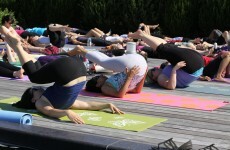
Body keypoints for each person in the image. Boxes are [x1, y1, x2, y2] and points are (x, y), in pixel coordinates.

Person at [0, 24, 123, 124]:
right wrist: (106, 104)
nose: (38, 88)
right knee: (36, 71)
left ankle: (16, 45)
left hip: (75, 70)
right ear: (33, 98)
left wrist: (66, 112)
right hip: (75, 68)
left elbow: (51, 110)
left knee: (35, 74)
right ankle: (16, 46)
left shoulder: (43, 102)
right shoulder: (48, 103)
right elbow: (86, 105)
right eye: (35, 90)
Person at [128, 30, 204, 89]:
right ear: (154, 78)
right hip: (193, 68)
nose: (155, 68)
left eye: (153, 69)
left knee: (166, 46)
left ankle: (145, 35)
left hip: (196, 65)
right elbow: (171, 86)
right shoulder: (160, 79)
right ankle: (142, 35)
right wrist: (174, 69)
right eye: (153, 71)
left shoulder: (163, 73)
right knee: (162, 49)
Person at [70, 46, 148, 98]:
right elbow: (122, 94)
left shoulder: (110, 84)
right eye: (97, 77)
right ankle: (81, 51)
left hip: (136, 65)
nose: (101, 75)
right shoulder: (104, 88)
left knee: (106, 60)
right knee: (104, 61)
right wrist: (144, 74)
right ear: (97, 85)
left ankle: (83, 51)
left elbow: (135, 90)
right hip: (138, 68)